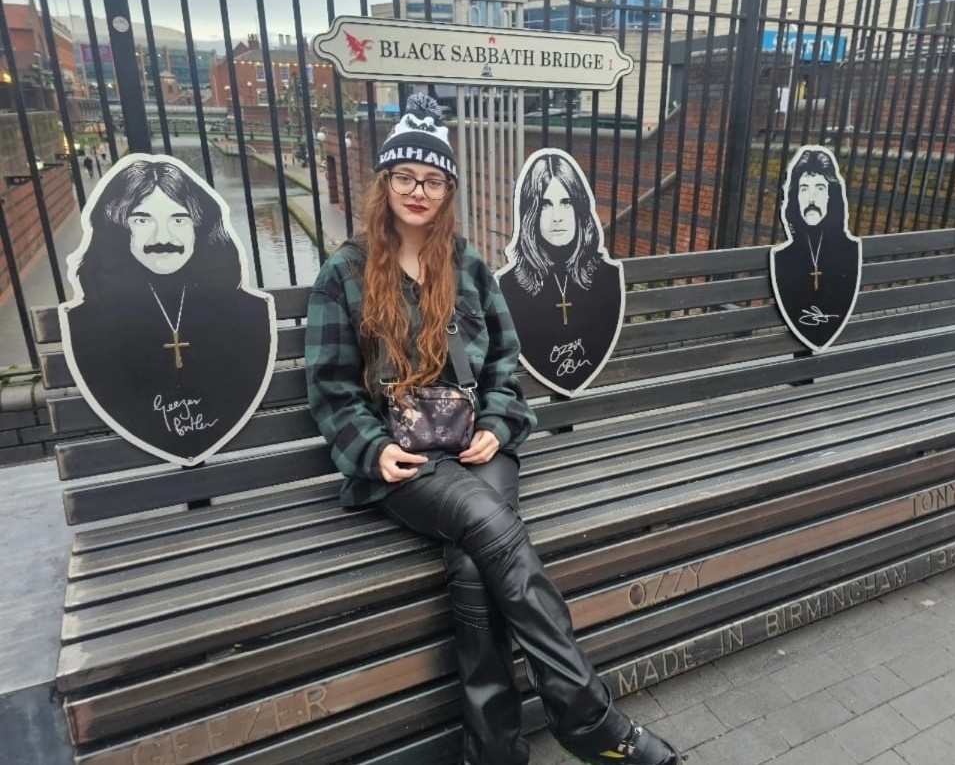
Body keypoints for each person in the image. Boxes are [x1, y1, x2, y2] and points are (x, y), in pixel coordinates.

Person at [306, 94, 680, 765]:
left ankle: (495, 753)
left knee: (478, 569)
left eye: (433, 180)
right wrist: (372, 450)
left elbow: (506, 367)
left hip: (478, 448)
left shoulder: (469, 265)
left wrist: (501, 428)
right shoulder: (345, 273)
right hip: (406, 463)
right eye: (405, 177)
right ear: (384, 182)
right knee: (491, 531)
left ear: (449, 190)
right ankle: (594, 723)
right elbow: (331, 391)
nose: (418, 192)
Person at [60, 155, 275, 465]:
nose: (163, 238)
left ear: (200, 227)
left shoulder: (250, 313)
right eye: (142, 220)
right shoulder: (87, 324)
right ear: (118, 228)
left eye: (179, 219)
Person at [496, 149, 624, 396]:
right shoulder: (509, 285)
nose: (557, 217)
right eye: (545, 205)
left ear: (579, 208)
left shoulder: (608, 275)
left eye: (566, 202)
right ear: (530, 214)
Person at [770, 145, 861, 352]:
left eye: (820, 188)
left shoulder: (850, 251)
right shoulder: (781, 258)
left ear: (833, 196)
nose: (811, 198)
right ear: (795, 198)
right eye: (804, 189)